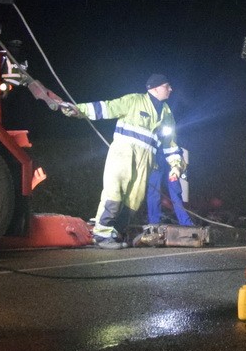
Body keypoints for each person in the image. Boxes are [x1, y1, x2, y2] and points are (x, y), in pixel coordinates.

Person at [62, 73, 183, 249]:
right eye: (167, 86)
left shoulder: (166, 114)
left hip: (145, 162)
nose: (170, 89)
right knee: (115, 191)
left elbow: (170, 143)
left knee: (134, 199)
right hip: (124, 154)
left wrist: (176, 166)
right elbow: (107, 108)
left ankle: (115, 232)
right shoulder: (134, 101)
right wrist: (77, 109)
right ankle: (101, 234)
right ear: (155, 88)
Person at [146, 149, 193, 226]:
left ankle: (186, 222)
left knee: (175, 192)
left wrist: (176, 166)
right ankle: (154, 223)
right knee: (153, 191)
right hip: (156, 162)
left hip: (171, 164)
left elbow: (173, 145)